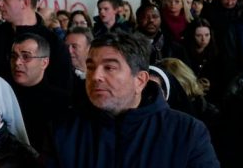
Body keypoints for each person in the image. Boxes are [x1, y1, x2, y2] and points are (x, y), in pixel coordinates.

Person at [49, 31, 219, 167]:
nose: (96, 76)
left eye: (109, 68)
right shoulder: (64, 129)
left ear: (139, 80)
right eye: (91, 67)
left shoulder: (186, 132)